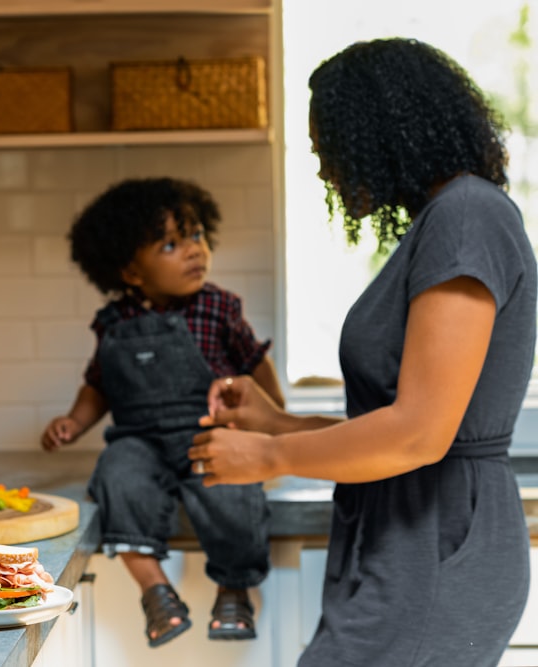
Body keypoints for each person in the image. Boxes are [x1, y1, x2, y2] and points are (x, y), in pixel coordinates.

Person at [189, 38, 537, 667]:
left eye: (331, 151)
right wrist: (279, 423)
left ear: (382, 132)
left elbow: (421, 436)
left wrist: (270, 454)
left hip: (439, 544)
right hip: (406, 539)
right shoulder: (444, 219)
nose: (327, 171)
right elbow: (406, 425)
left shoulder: (466, 218)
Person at [41, 177, 284, 647]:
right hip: (140, 441)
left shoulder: (218, 307)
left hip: (208, 433)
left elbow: (254, 365)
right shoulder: (113, 322)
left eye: (195, 235)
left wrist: (276, 419)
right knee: (116, 478)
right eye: (171, 244)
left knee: (234, 492)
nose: (194, 250)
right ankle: (156, 593)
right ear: (131, 271)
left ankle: (234, 591)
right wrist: (74, 421)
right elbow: (98, 385)